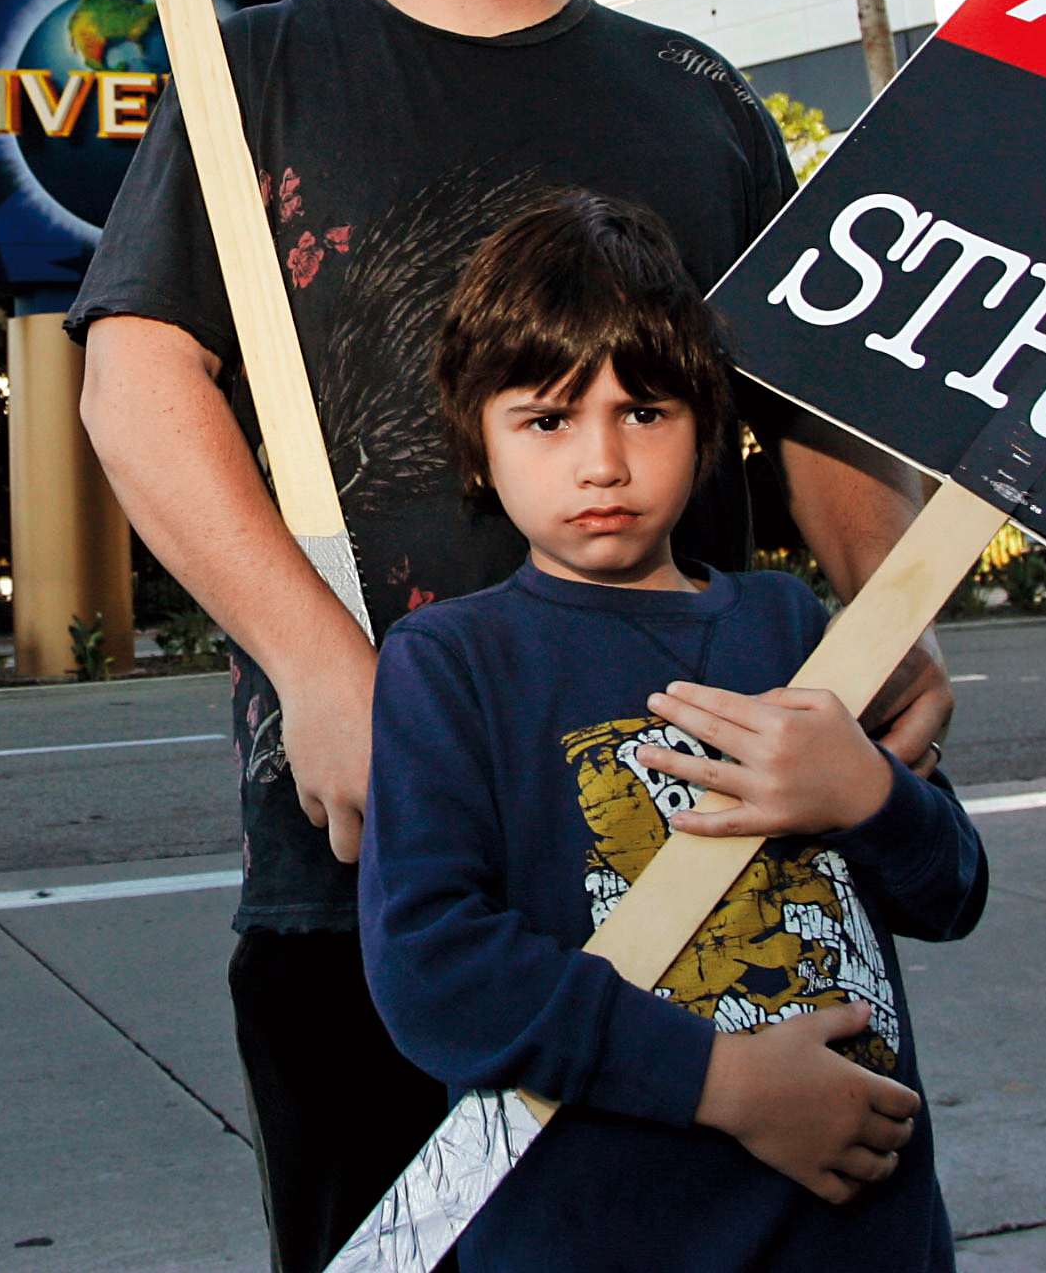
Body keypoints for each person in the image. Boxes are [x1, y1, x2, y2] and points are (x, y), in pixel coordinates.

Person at [70, 0, 953, 1271]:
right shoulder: (254, 71)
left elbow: (811, 411)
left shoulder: (699, 104)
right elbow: (134, 377)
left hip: (712, 852)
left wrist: (880, 625)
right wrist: (327, 677)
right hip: (367, 861)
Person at [362, 191, 986, 1270]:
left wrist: (871, 798)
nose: (600, 460)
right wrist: (725, 1083)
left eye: (642, 411)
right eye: (547, 418)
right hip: (608, 1232)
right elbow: (433, 965)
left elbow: (952, 890)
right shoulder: (452, 665)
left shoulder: (791, 626)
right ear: (477, 442)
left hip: (860, 1234)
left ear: (705, 428)